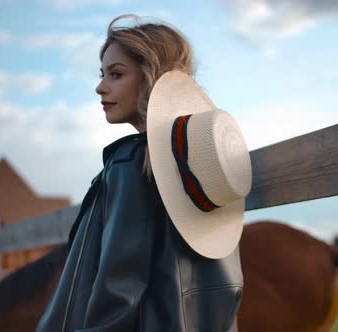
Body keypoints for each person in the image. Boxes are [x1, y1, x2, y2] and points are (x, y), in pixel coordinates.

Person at [37, 14, 252, 332]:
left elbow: (117, 293)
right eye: (103, 74)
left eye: (115, 74)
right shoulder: (205, 166)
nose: (100, 87)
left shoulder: (129, 163)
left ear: (151, 77)